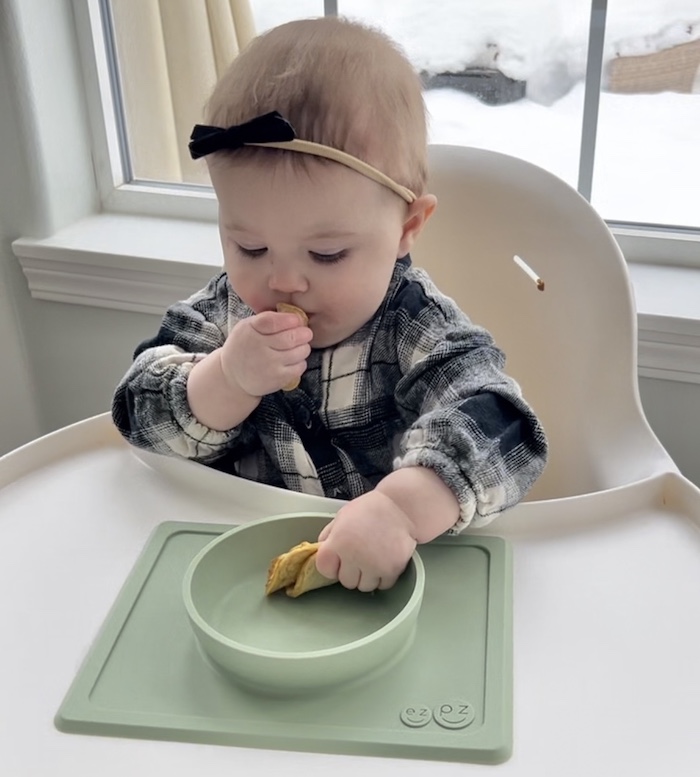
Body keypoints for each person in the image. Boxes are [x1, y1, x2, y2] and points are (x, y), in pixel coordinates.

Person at [112, 16, 548, 593]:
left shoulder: (414, 323)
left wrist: (403, 509)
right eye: (251, 246)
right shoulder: (223, 313)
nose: (284, 280)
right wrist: (225, 380)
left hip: (388, 580)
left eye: (327, 253)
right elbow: (134, 415)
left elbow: (506, 429)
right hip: (234, 565)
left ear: (406, 227)